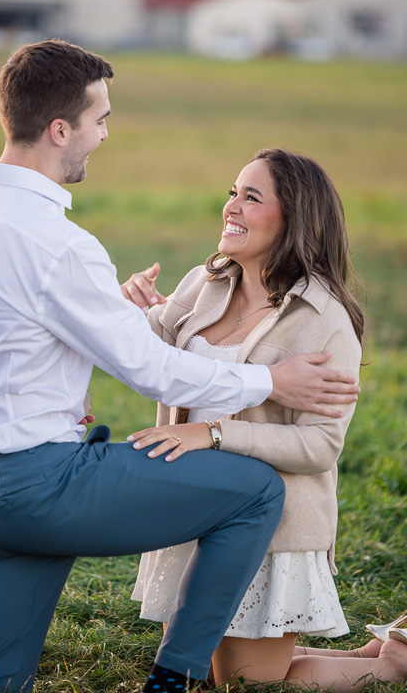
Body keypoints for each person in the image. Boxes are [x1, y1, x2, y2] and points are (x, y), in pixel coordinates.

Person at [0, 41, 360, 693]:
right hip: (37, 488)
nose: (105, 134)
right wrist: (270, 381)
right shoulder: (63, 244)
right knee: (255, 492)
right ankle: (174, 676)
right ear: (61, 129)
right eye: (100, 119)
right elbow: (152, 371)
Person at [123, 148, 407, 692]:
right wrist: (132, 313)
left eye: (251, 197)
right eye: (233, 191)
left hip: (269, 530)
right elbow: (158, 354)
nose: (232, 206)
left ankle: (392, 665)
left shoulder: (324, 321)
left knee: (247, 682)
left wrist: (211, 434)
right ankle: (373, 650)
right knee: (204, 672)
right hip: (192, 512)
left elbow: (320, 447)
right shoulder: (205, 282)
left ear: (294, 219)